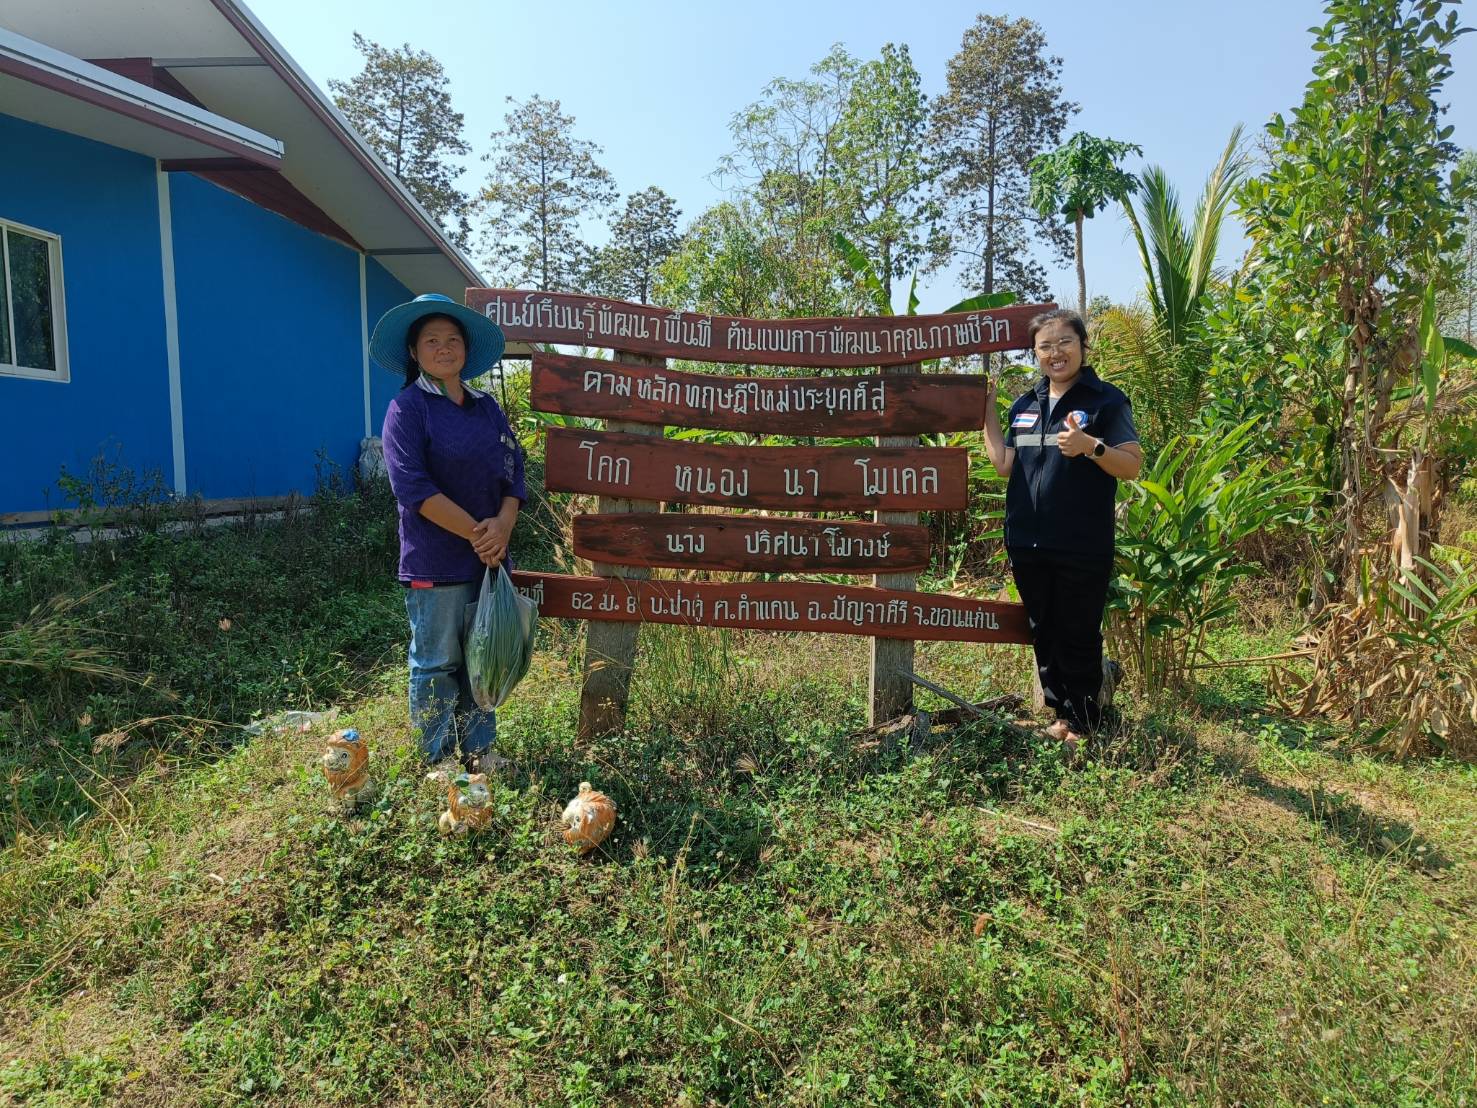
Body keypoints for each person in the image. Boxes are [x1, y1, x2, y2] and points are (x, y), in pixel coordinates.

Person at [372, 293, 525, 774]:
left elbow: (514, 474)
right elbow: (411, 486)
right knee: (436, 663)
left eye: (453, 339)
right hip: (435, 562)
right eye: (432, 341)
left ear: (465, 350)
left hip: (488, 561)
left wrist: (502, 526)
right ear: (415, 353)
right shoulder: (408, 409)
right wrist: (481, 535)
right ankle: (437, 761)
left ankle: (480, 752)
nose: (444, 348)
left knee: (483, 657)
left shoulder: (487, 409)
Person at [981, 309, 1142, 746]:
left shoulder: (1106, 401)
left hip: (1081, 542)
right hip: (1027, 541)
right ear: (1035, 354)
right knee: (1045, 628)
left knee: (1078, 629)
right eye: (1045, 347)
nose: (1056, 353)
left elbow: (1130, 466)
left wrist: (1092, 447)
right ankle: (1061, 714)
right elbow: (1003, 465)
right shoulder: (1026, 404)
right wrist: (986, 411)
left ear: (1083, 347)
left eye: (1064, 343)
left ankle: (1084, 720)